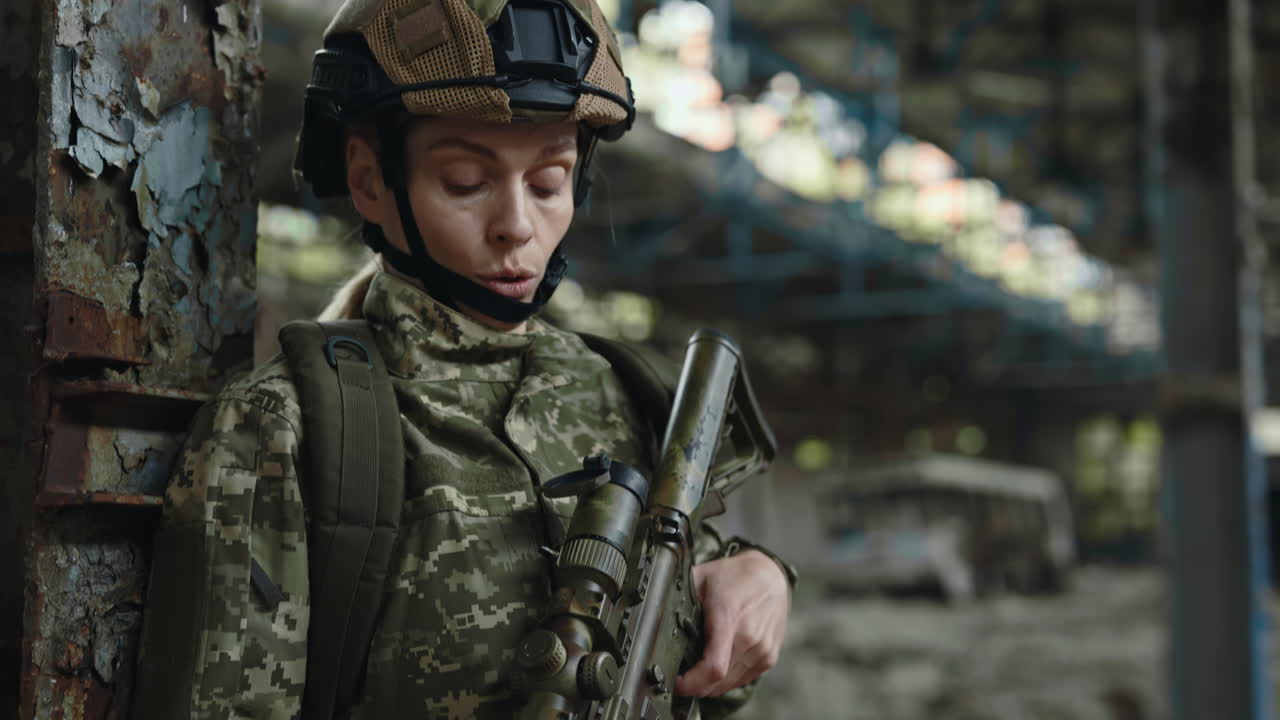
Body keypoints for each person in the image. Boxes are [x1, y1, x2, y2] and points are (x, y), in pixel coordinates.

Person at [131, 0, 792, 717]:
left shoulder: (620, 393)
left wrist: (759, 579)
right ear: (371, 181)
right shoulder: (284, 428)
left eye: (548, 183)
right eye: (466, 182)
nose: (516, 226)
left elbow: (696, 658)